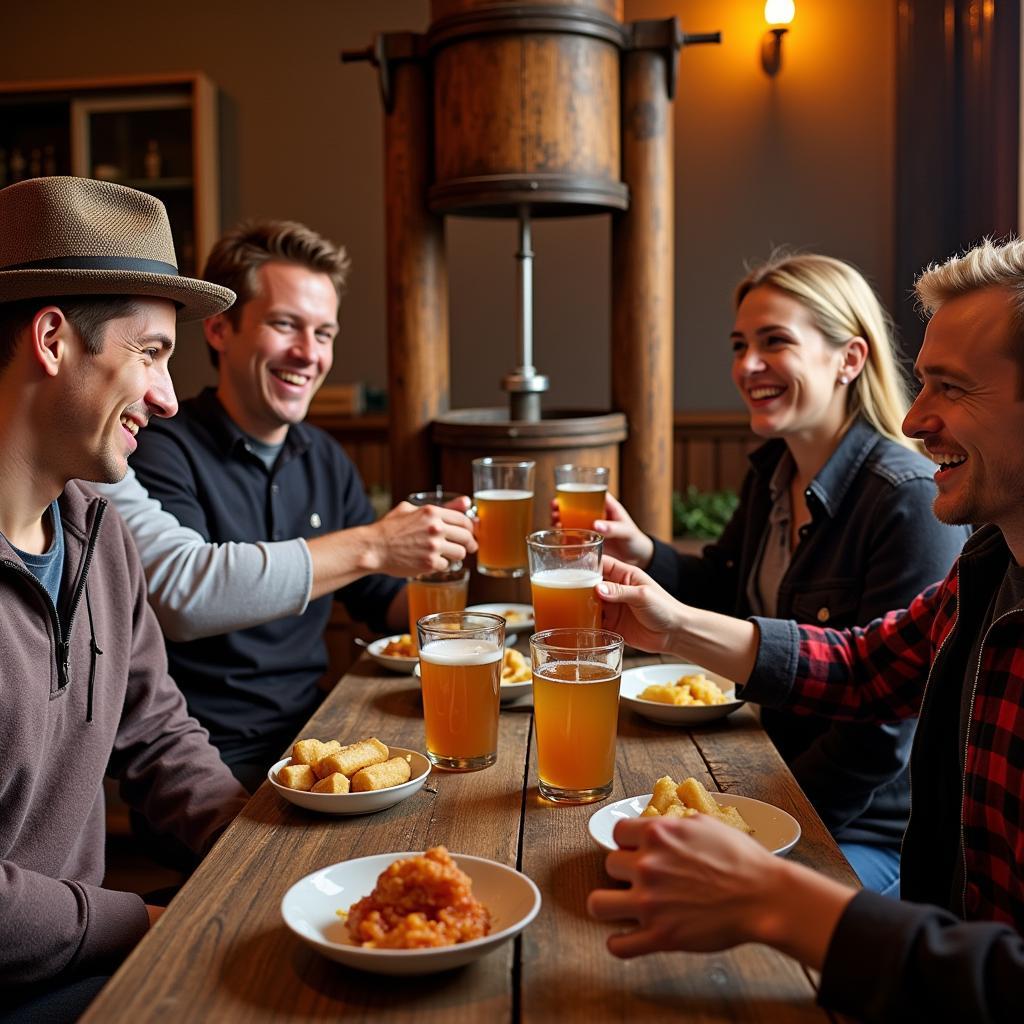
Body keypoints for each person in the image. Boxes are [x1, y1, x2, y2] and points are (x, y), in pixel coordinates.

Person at [589, 238, 1024, 1022]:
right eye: (922, 382)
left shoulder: (903, 496)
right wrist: (673, 620)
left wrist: (773, 883)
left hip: (868, 850)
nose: (914, 420)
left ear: (847, 358)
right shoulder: (990, 565)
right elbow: (863, 666)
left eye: (951, 388)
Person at [576, 252, 968, 894]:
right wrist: (645, 552)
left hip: (864, 831)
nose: (747, 365)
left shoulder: (909, 496)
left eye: (774, 342)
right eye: (739, 345)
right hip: (766, 766)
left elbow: (878, 739)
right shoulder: (774, 472)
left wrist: (763, 819)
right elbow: (728, 590)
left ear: (849, 359)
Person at [0, 176, 249, 1019]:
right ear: (52, 340)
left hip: (90, 966)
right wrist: (141, 922)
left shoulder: (102, 537)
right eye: (150, 353)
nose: (170, 398)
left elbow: (157, 732)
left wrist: (262, 857)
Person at [122, 219, 476, 791]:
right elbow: (183, 598)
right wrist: (377, 544)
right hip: (204, 758)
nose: (308, 353)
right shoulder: (160, 445)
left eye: (325, 333)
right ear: (219, 330)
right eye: (286, 325)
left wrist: (451, 567)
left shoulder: (324, 456)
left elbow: (381, 598)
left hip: (318, 736)